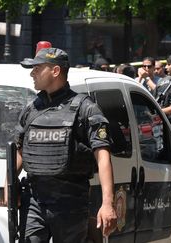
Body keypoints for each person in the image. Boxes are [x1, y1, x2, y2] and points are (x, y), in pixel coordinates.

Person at [8, 48, 117, 242]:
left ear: (56, 71)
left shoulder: (85, 108)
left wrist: (108, 203)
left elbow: (103, 157)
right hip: (34, 200)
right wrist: (9, 184)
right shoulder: (32, 108)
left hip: (71, 202)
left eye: (37, 68)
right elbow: (20, 150)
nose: (32, 73)